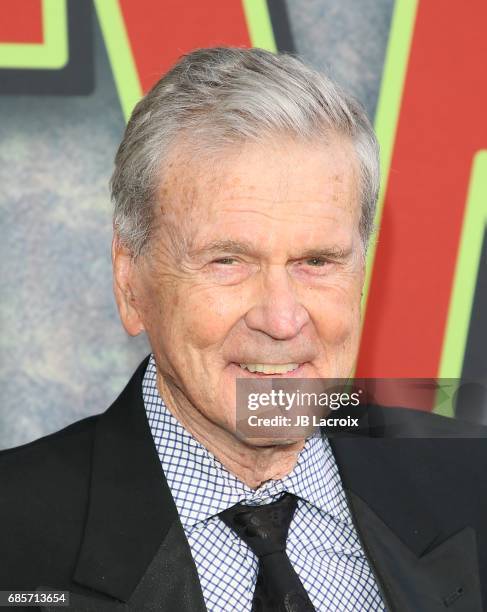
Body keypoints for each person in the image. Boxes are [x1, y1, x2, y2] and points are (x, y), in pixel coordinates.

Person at [1, 47, 486, 612]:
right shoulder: (15, 542)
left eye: (318, 261)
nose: (281, 320)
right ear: (129, 279)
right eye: (227, 261)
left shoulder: (473, 488)